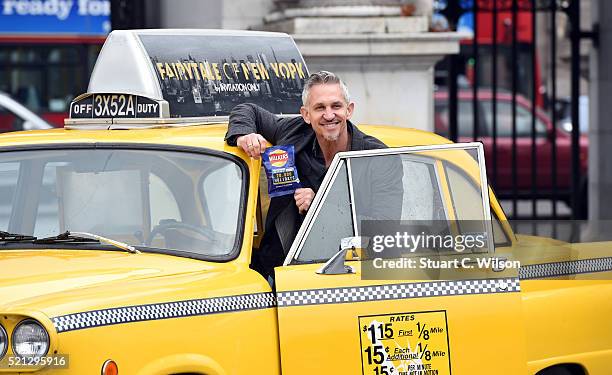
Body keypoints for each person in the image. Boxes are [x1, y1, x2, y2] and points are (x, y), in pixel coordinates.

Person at [225, 70, 400, 279]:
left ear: (349, 110)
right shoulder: (293, 131)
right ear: (306, 114)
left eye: (336, 106)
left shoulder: (378, 157)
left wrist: (320, 207)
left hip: (343, 275)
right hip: (278, 270)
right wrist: (245, 135)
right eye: (319, 108)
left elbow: (385, 230)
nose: (329, 115)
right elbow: (247, 110)